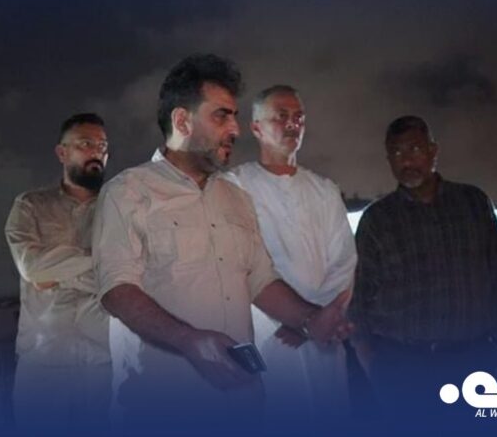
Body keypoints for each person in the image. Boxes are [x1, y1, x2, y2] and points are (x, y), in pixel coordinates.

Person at [92, 54, 351, 431]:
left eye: (235, 116)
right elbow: (116, 289)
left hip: (242, 403)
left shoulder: (236, 198)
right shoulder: (128, 192)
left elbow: (261, 279)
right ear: (182, 121)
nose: (235, 129)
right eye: (221, 116)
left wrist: (310, 319)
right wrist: (188, 340)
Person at [349, 115, 497, 414]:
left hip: (473, 359)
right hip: (404, 365)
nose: (406, 160)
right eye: (396, 152)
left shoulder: (472, 203)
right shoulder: (378, 219)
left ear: (433, 151)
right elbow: (359, 294)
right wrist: (371, 362)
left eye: (414, 149)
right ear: (388, 160)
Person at [227, 85, 356, 419]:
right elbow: (241, 263)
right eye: (281, 116)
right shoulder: (234, 186)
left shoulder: (325, 190)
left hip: (322, 337)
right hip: (269, 338)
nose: (292, 124)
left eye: (298, 117)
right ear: (256, 127)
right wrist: (297, 319)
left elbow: (344, 263)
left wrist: (317, 320)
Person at [5, 113, 111, 432]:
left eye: (102, 146)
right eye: (86, 144)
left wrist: (59, 272)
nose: (96, 152)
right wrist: (98, 261)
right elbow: (34, 268)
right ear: (62, 153)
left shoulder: (120, 208)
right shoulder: (30, 206)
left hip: (104, 363)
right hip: (43, 363)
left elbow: (127, 271)